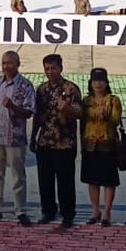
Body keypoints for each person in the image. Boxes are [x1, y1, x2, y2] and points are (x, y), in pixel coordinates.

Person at [0, 50, 36, 226]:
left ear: (18, 64)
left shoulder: (25, 86)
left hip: (15, 139)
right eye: (4, 63)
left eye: (10, 63)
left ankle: (20, 210)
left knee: (18, 176)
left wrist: (12, 106)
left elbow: (28, 112)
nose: (6, 66)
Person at [30, 53, 83, 225]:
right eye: (47, 68)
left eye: (53, 68)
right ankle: (48, 211)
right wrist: (33, 137)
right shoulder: (41, 89)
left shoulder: (71, 89)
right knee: (45, 181)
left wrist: (66, 108)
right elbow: (38, 116)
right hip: (45, 141)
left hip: (64, 143)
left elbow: (79, 113)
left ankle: (68, 214)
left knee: (65, 181)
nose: (50, 71)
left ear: (61, 68)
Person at [80, 68, 122, 228]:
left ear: (106, 82)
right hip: (90, 144)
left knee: (108, 180)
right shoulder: (86, 101)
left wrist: (106, 116)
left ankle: (107, 212)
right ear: (91, 83)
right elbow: (82, 124)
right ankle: (95, 210)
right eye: (95, 80)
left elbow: (116, 121)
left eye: (101, 80)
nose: (98, 83)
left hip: (107, 144)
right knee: (92, 179)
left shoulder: (113, 100)